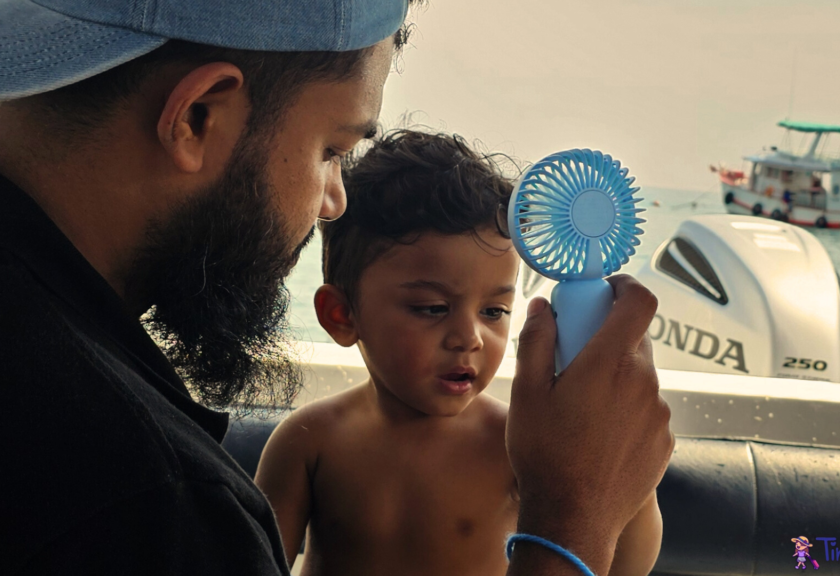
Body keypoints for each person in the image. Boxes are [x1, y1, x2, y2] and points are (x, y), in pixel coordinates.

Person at [0, 0, 673, 574]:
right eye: (332, 151)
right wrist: (569, 530)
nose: (333, 201)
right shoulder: (146, 509)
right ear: (197, 115)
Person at [254, 130, 663, 576]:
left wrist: (616, 461)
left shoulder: (521, 446)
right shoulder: (309, 441)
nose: (469, 337)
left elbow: (627, 564)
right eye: (432, 308)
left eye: (494, 310)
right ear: (342, 315)